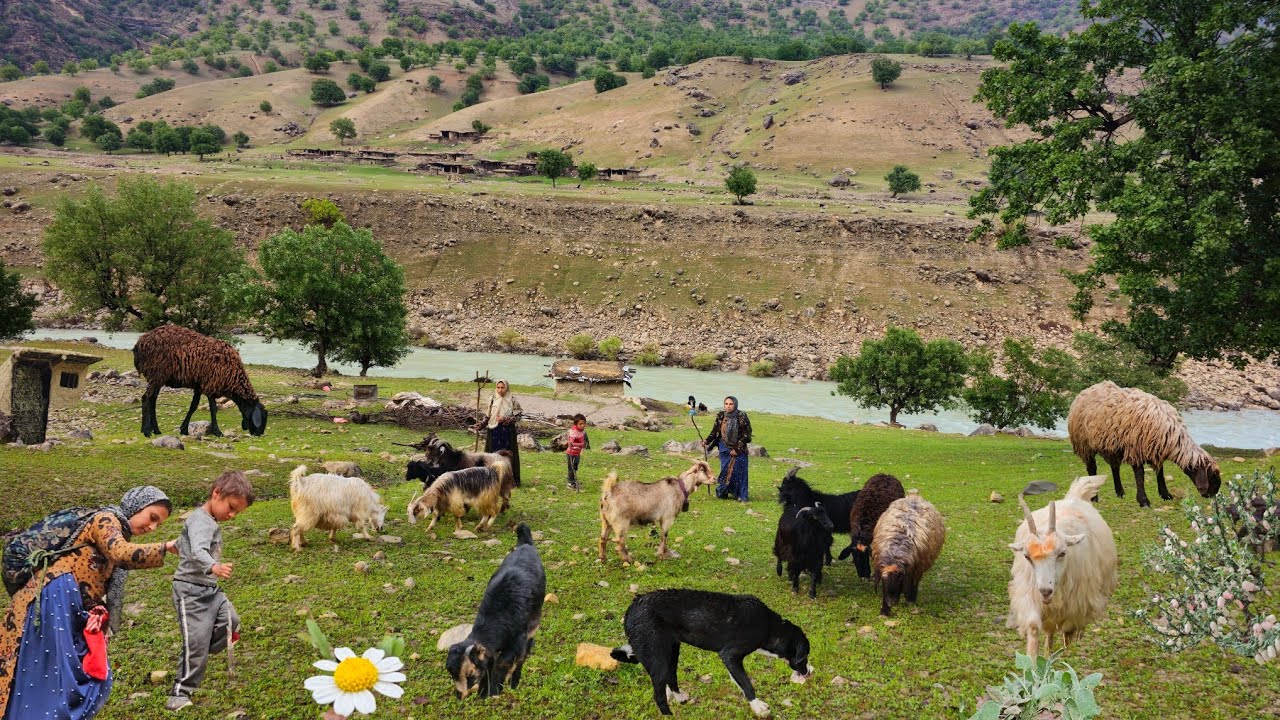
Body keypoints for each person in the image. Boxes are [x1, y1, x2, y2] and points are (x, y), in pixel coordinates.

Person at [1, 486, 178, 720]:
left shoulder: (117, 530)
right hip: (57, 597)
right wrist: (165, 547)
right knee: (49, 677)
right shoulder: (105, 519)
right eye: (152, 517)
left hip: (70, 606)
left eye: (159, 525)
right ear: (137, 506)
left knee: (66, 676)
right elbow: (121, 553)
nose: (152, 527)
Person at [166, 471, 255, 712]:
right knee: (195, 643)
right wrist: (213, 566)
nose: (232, 515)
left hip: (210, 589)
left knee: (231, 622)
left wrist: (173, 545)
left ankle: (201, 651)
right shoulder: (200, 519)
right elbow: (198, 550)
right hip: (190, 590)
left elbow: (187, 542)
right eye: (231, 507)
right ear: (216, 493)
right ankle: (180, 694)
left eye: (237, 512)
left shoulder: (206, 521)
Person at [703, 396, 752, 502]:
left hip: (739, 449)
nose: (728, 406)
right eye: (726, 404)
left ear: (735, 405)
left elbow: (747, 435)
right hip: (724, 448)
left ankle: (740, 494)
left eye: (731, 404)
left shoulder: (741, 416)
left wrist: (736, 449)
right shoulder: (721, 415)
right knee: (726, 472)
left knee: (739, 472)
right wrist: (706, 441)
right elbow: (715, 431)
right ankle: (723, 492)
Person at [476, 379, 523, 486]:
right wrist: (481, 424)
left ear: (506, 388)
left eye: (502, 387)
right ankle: (491, 479)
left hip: (507, 431)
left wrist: (505, 419)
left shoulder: (512, 400)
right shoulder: (492, 399)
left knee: (507, 455)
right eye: (498, 387)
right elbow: (488, 416)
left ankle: (509, 480)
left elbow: (518, 416)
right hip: (493, 431)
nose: (500, 390)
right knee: (492, 455)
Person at [565, 413, 590, 491]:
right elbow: (570, 442)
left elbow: (584, 441)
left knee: (575, 467)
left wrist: (584, 446)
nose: (583, 425)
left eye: (584, 423)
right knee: (571, 468)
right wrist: (573, 443)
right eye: (580, 424)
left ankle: (573, 480)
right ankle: (570, 483)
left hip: (577, 453)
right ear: (576, 424)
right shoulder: (573, 432)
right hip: (571, 453)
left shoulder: (582, 432)